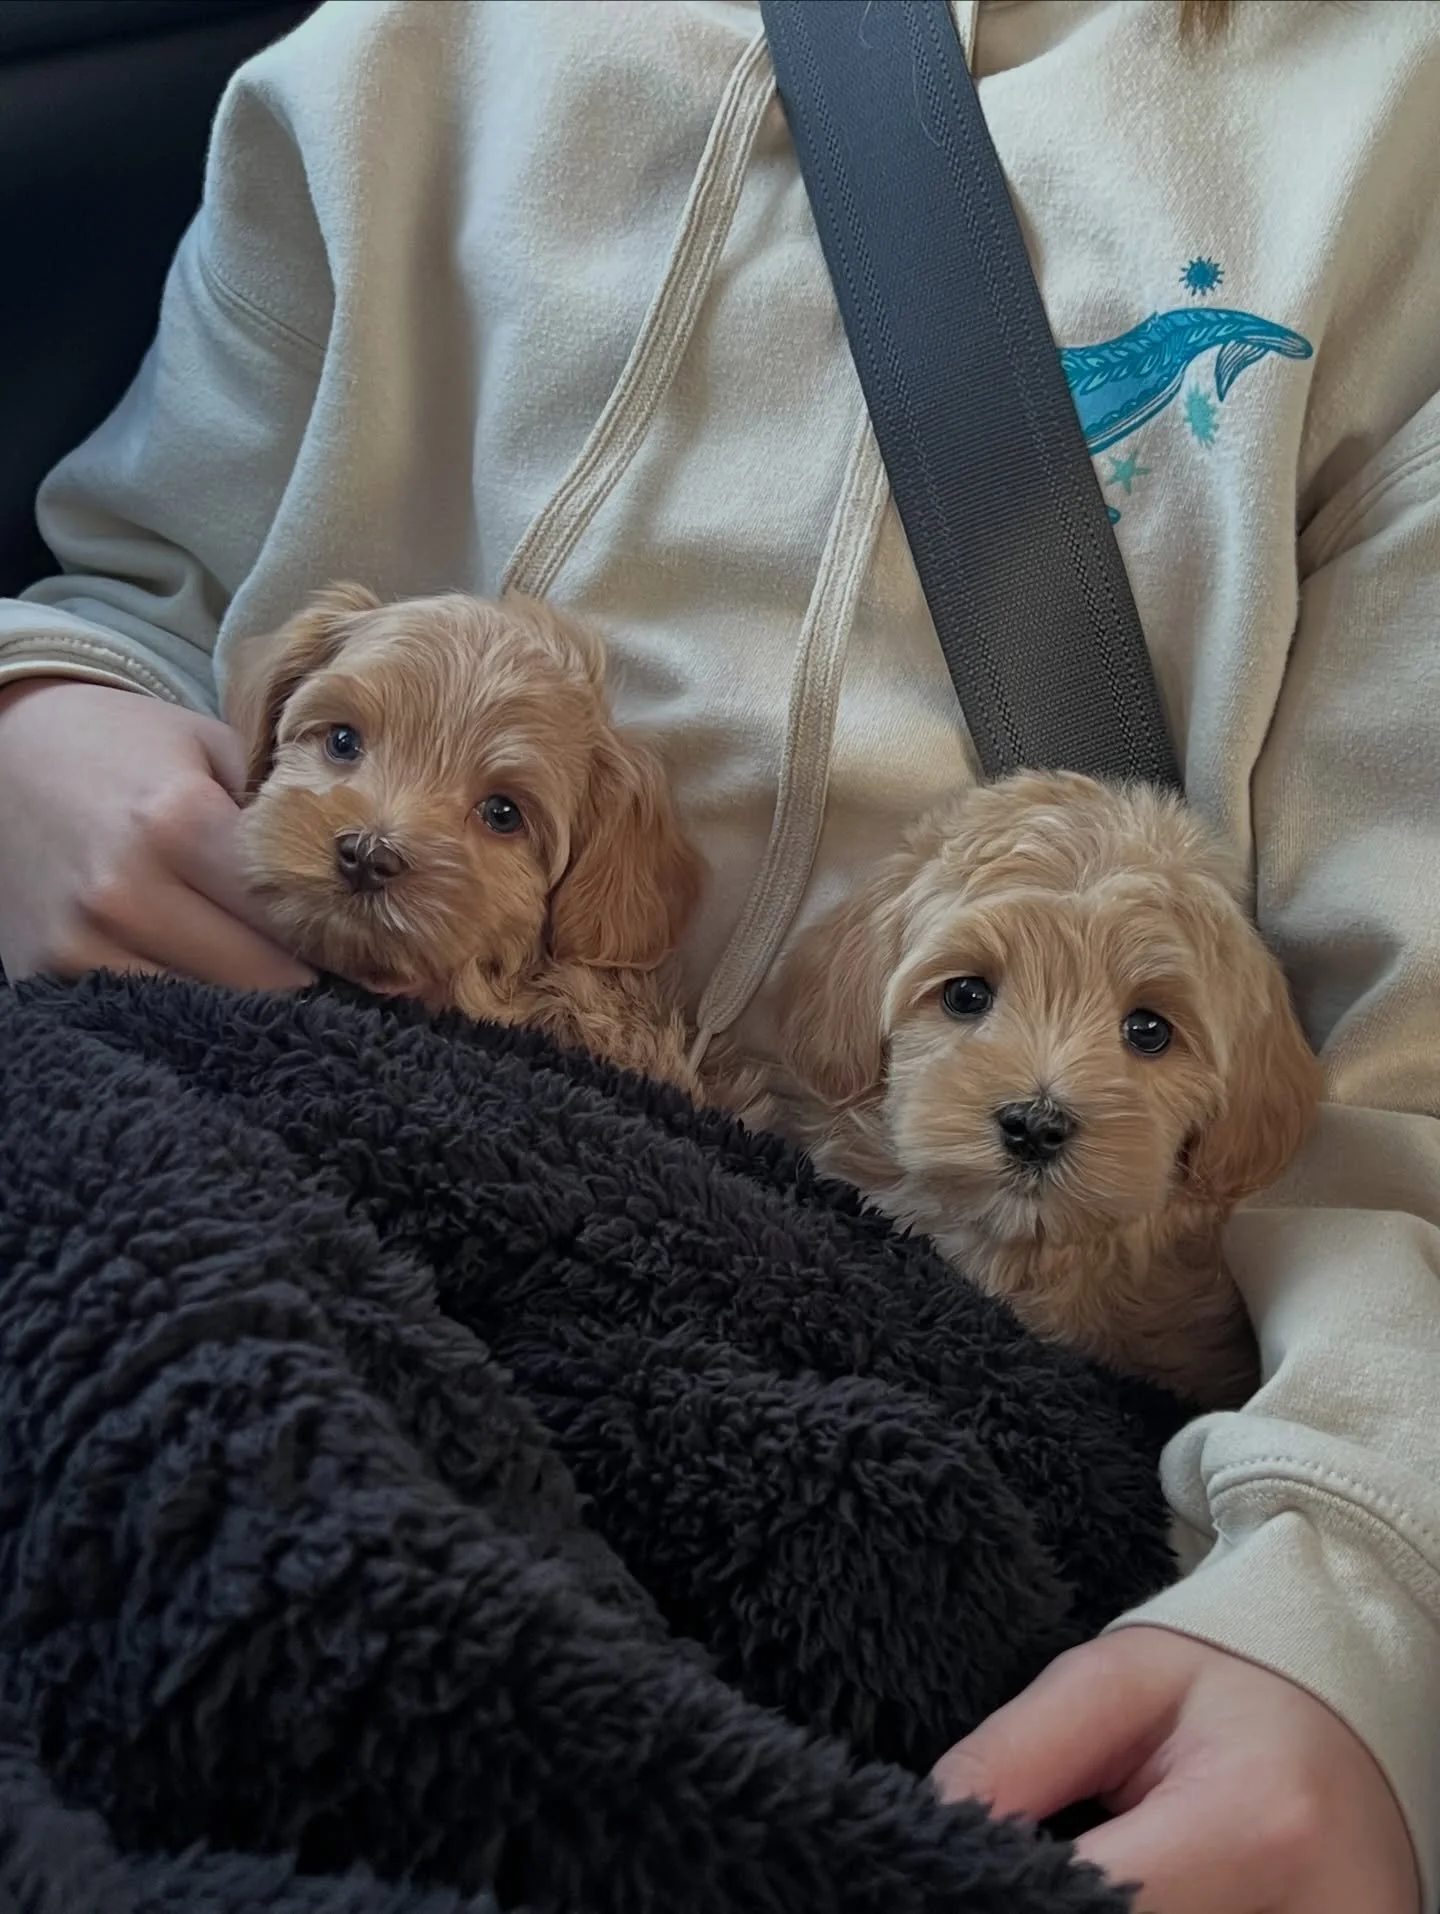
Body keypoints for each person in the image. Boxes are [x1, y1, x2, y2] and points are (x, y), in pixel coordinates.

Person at [1, 1, 1436, 1908]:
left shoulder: (1396, 136)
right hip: (248, 1074)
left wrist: (1349, 1597)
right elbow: (139, 580)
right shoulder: (407, 48)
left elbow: (1396, 1067)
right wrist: (44, 712)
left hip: (965, 1332)